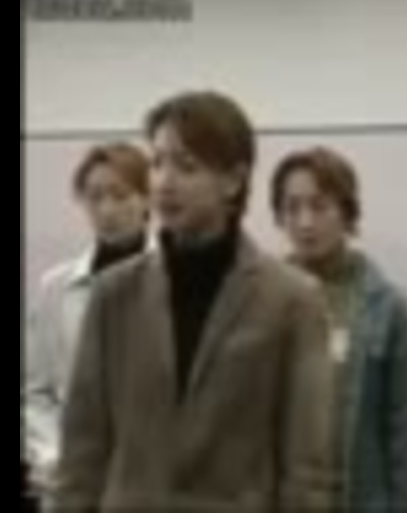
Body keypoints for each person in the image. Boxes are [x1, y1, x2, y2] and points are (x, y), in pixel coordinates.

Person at [51, 91, 335, 512]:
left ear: (233, 180)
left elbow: (306, 469)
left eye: (186, 166)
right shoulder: (114, 294)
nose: (164, 183)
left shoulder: (292, 300)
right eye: (157, 163)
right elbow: (81, 455)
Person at [270, 146, 407, 512]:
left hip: (360, 497)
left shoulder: (387, 307)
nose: (305, 222)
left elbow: (403, 431)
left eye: (319, 206)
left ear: (347, 212)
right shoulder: (264, 300)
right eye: (292, 208)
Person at [23, 142, 151, 503]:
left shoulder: (178, 281)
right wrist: (53, 455)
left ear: (147, 199)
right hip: (74, 478)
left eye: (120, 195)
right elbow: (35, 391)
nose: (107, 210)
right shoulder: (56, 286)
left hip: (155, 478)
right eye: (94, 197)